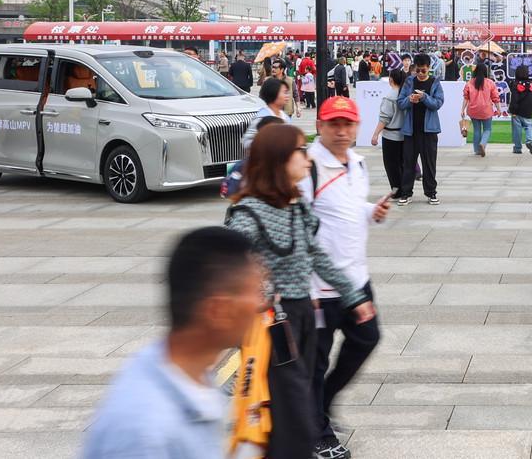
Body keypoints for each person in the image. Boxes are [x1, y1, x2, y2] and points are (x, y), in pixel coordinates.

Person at [225, 123, 374, 459]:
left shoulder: (295, 206)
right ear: (279, 158)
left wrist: (354, 296)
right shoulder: (250, 212)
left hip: (303, 313)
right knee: (287, 403)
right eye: (300, 151)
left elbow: (316, 255)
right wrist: (263, 292)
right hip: (274, 323)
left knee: (298, 397)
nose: (308, 160)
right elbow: (231, 262)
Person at [81, 227, 266, 459]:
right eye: (255, 292)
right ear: (218, 310)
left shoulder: (193, 378)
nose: (262, 304)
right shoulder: (143, 433)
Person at [303, 97, 390, 443]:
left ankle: (322, 404)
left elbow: (348, 207)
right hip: (318, 287)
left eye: (348, 124)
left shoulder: (357, 163)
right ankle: (318, 435)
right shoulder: (307, 167)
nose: (341, 131)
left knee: (367, 339)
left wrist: (371, 212)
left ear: (356, 127)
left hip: (356, 280)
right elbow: (297, 226)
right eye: (333, 124)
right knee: (315, 363)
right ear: (319, 126)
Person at [395, 53, 443, 205]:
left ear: (429, 68)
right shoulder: (409, 81)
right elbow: (400, 102)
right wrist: (409, 99)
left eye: (424, 70)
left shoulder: (435, 82)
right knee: (408, 163)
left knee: (429, 164)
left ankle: (431, 192)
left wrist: (424, 97)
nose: (421, 74)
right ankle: (406, 193)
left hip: (429, 131)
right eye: (418, 70)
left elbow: (438, 103)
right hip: (411, 130)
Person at [369, 67, 407, 194]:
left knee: (391, 165)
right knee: (402, 163)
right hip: (404, 135)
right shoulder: (405, 95)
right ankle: (405, 189)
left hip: (391, 135)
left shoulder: (390, 97)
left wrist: (375, 134)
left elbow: (384, 118)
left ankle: (396, 189)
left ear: (391, 80)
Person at [241, 77, 290, 155]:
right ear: (274, 93)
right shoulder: (262, 117)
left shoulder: (285, 116)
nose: (287, 95)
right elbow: (247, 141)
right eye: (284, 92)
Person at [463, 61, 500, 158]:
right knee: (487, 129)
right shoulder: (490, 83)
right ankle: (483, 143)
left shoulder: (469, 83)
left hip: (473, 110)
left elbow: (466, 98)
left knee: (476, 130)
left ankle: (477, 150)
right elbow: (495, 98)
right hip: (486, 110)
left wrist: (462, 109)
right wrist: (499, 109)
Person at [507, 64, 532, 155]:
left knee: (517, 130)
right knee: (529, 126)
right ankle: (529, 141)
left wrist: (512, 110)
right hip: (528, 110)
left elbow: (514, 99)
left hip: (516, 111)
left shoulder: (515, 84)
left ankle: (517, 148)